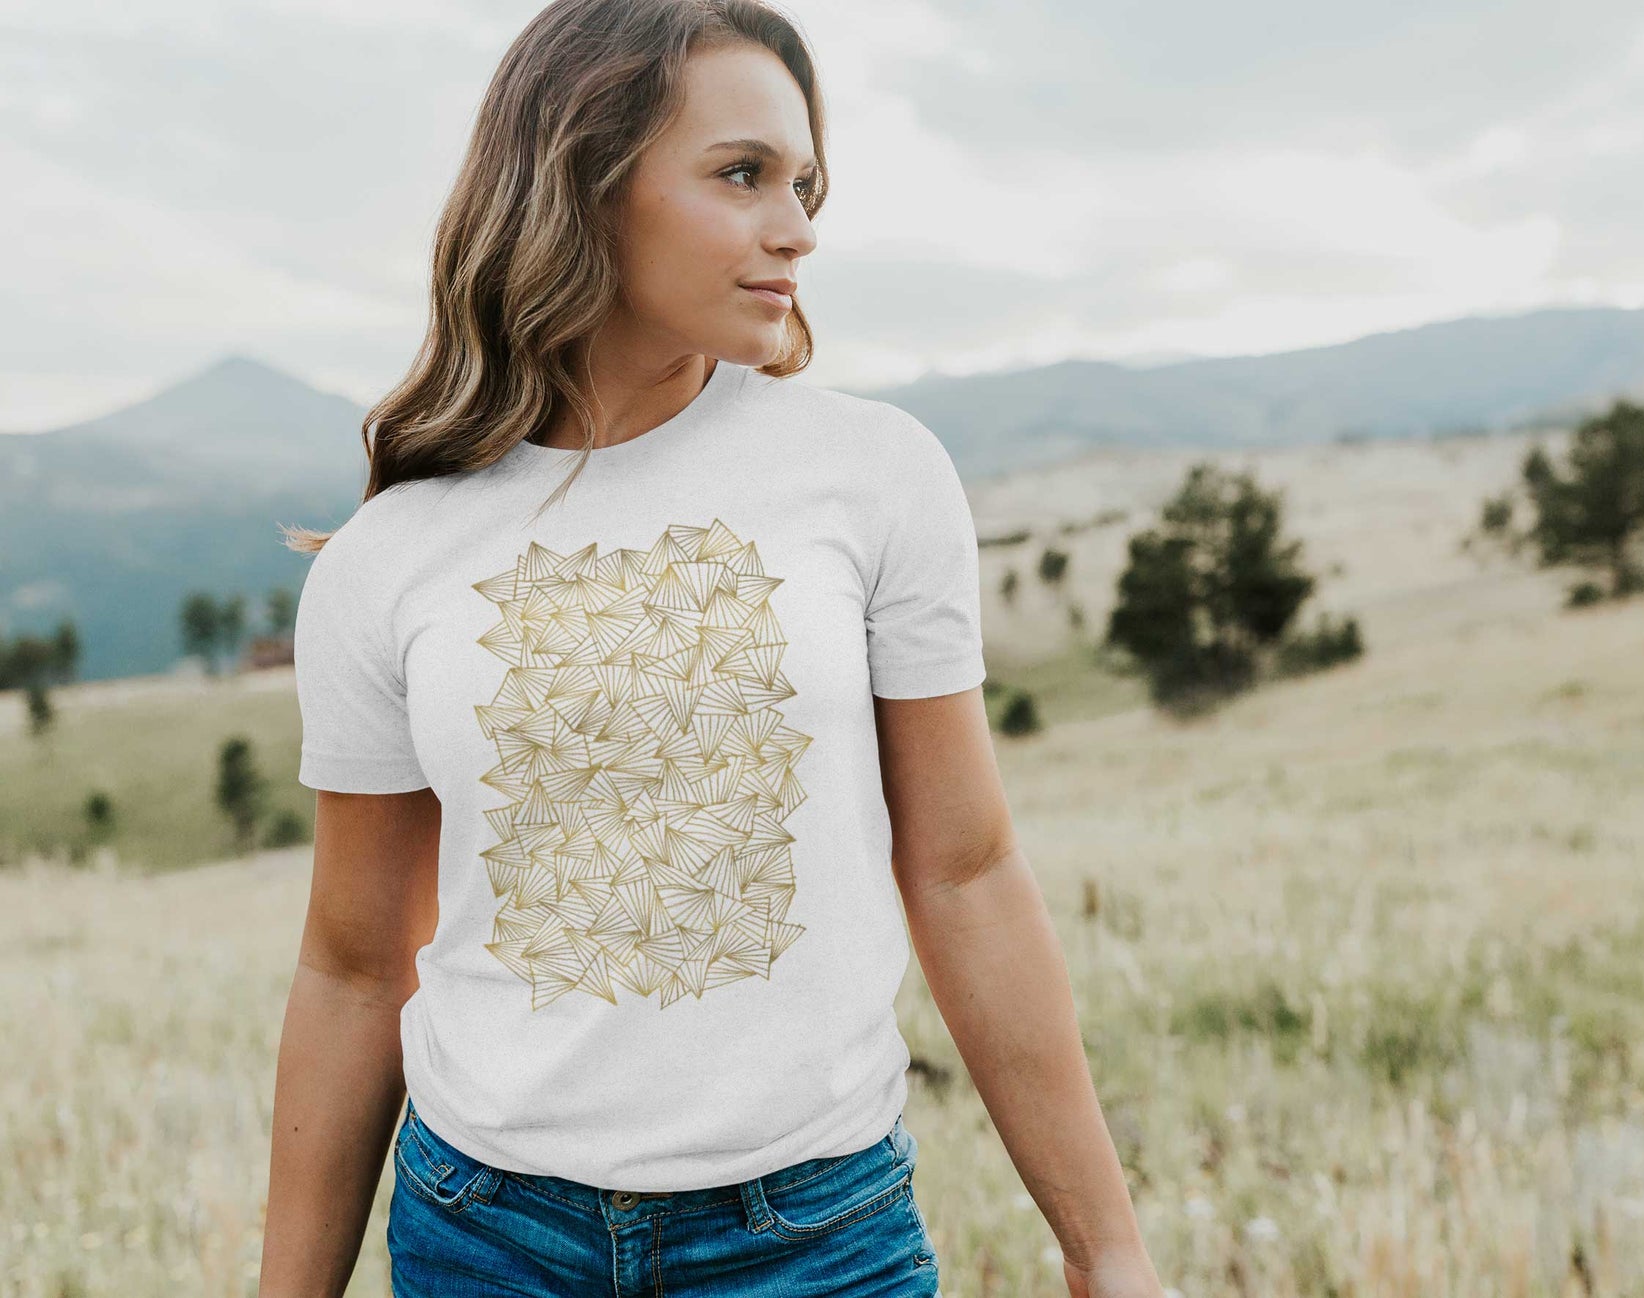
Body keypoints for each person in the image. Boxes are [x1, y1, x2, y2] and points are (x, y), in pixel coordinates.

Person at [256, 2, 1165, 1295]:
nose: (796, 224)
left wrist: (1108, 1249)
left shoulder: (873, 473)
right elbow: (352, 968)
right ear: (581, 182)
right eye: (741, 175)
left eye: (803, 183)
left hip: (815, 1238)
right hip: (487, 1237)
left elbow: (964, 871)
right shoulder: (386, 557)